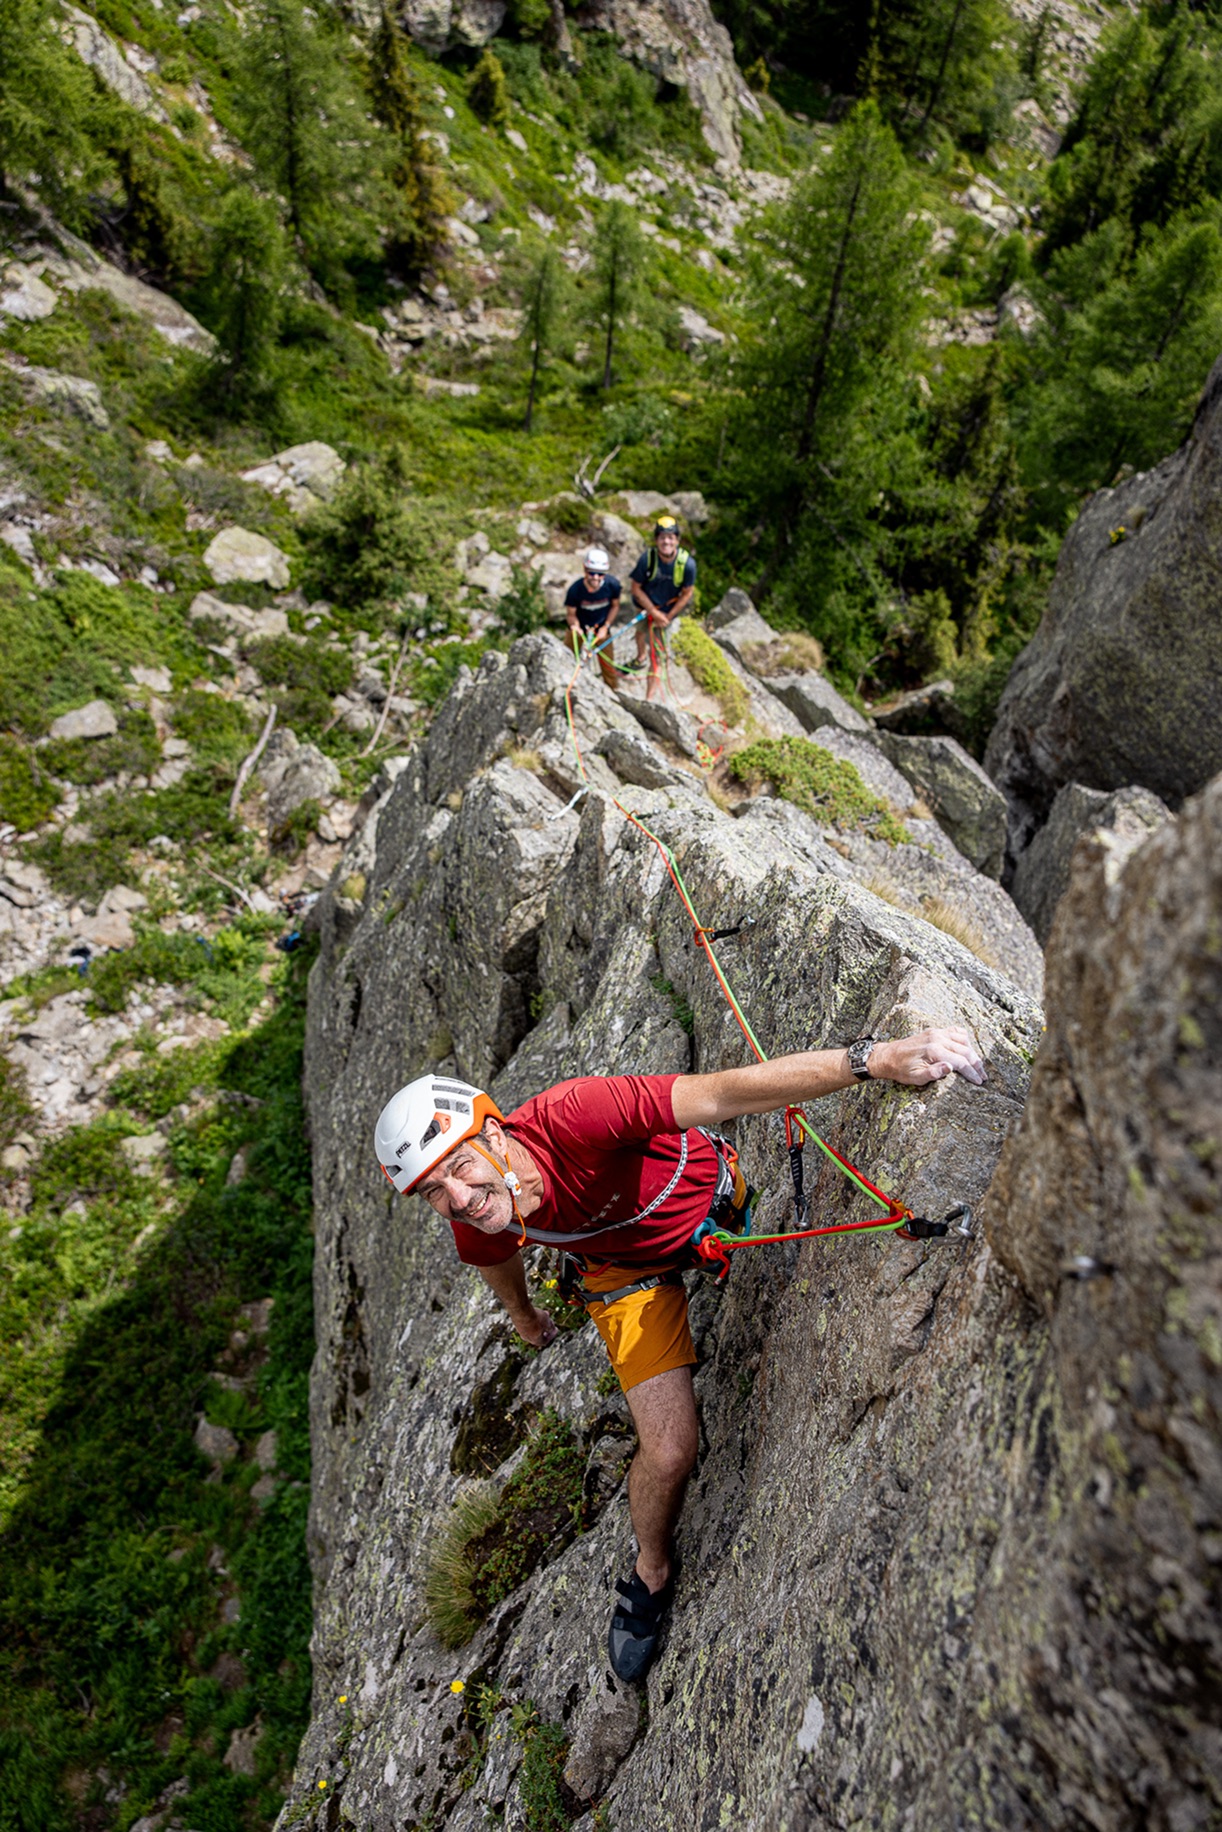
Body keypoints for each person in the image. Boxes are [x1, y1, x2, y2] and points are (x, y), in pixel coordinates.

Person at [374, 1028, 987, 1683]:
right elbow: (494, 1260)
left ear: (494, 1136)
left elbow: (725, 1092)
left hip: (711, 1207)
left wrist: (875, 1060)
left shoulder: (579, 1116)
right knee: (668, 1451)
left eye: (460, 1168)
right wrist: (524, 1317)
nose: (459, 1199)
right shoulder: (473, 1220)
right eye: (434, 1191)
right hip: (621, 1270)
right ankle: (652, 1568)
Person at [628, 514, 695, 702]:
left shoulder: (687, 565)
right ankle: (640, 656)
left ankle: (648, 699)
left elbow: (687, 593)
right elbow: (635, 588)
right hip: (645, 606)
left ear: (677, 540)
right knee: (640, 633)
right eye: (662, 537)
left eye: (671, 537)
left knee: (657, 658)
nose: (666, 541)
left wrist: (668, 617)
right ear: (657, 540)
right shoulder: (647, 560)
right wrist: (653, 612)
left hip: (666, 612)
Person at [563, 545, 622, 690]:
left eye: (600, 574)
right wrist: (575, 627)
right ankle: (566, 683)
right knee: (566, 657)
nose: (596, 577)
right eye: (592, 573)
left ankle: (613, 693)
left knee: (608, 667)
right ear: (585, 570)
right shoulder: (575, 590)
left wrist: (606, 626)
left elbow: (615, 606)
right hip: (580, 629)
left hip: (601, 628)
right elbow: (571, 615)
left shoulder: (612, 585)